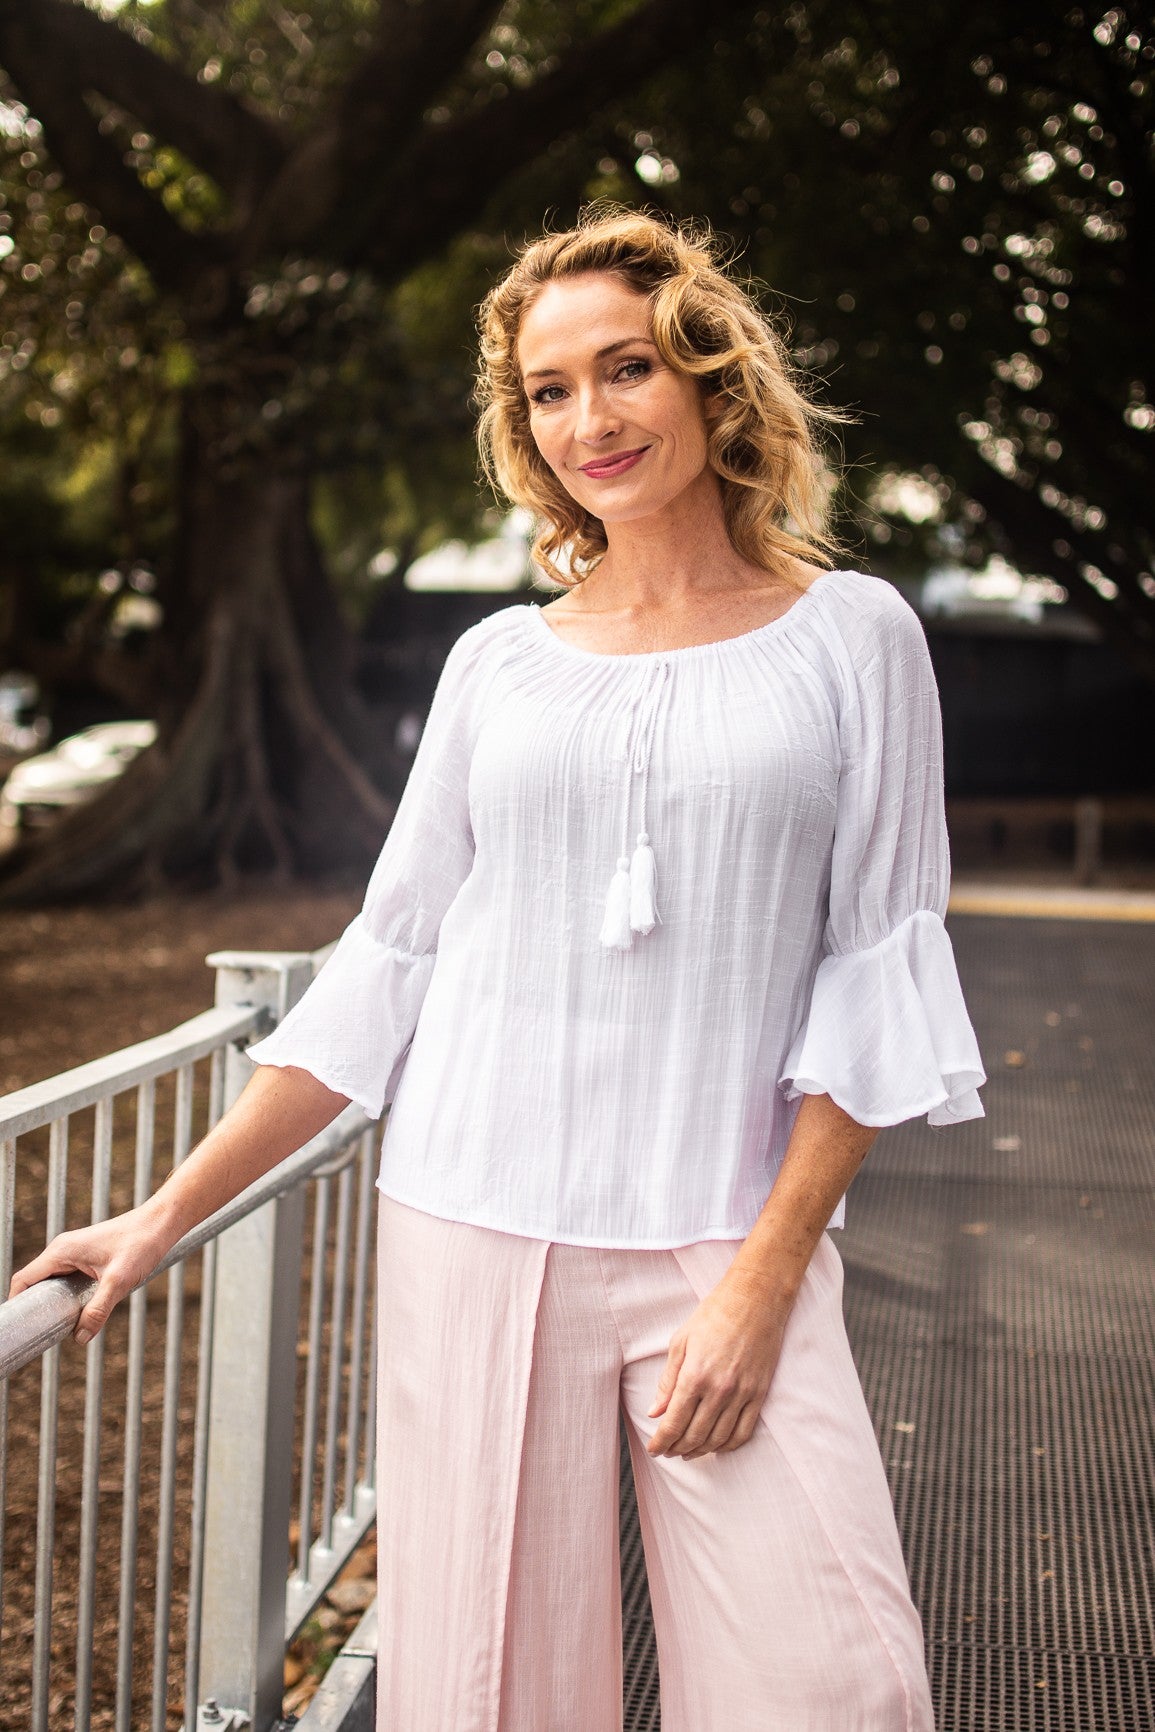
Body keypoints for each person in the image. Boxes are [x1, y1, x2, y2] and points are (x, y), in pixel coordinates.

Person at [11, 207, 987, 1731]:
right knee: (484, 1694)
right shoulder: (496, 666)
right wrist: (160, 1213)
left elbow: (876, 975)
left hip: (725, 1245)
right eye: (548, 389)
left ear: (713, 382)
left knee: (836, 1685)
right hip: (472, 1222)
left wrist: (767, 1279)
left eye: (627, 370)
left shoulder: (855, 638)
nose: (589, 419)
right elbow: (386, 967)